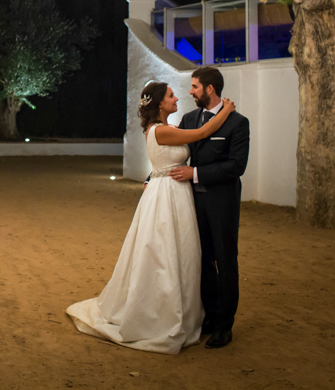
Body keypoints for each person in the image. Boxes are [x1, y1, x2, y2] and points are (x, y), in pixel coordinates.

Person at [66, 81, 235, 354]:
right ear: (159, 104)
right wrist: (226, 110)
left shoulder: (163, 128)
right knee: (163, 251)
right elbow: (204, 131)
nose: (177, 97)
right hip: (167, 195)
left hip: (174, 192)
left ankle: (188, 310)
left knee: (182, 252)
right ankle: (158, 313)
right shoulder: (162, 131)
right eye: (171, 95)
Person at [170, 66, 250, 349]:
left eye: (194, 87)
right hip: (192, 203)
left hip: (222, 203)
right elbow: (174, 153)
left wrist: (195, 174)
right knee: (201, 260)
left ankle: (225, 326)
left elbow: (236, 166)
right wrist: (152, 178)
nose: (191, 92)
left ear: (210, 89)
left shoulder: (238, 123)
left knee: (225, 261)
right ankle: (210, 316)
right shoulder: (189, 119)